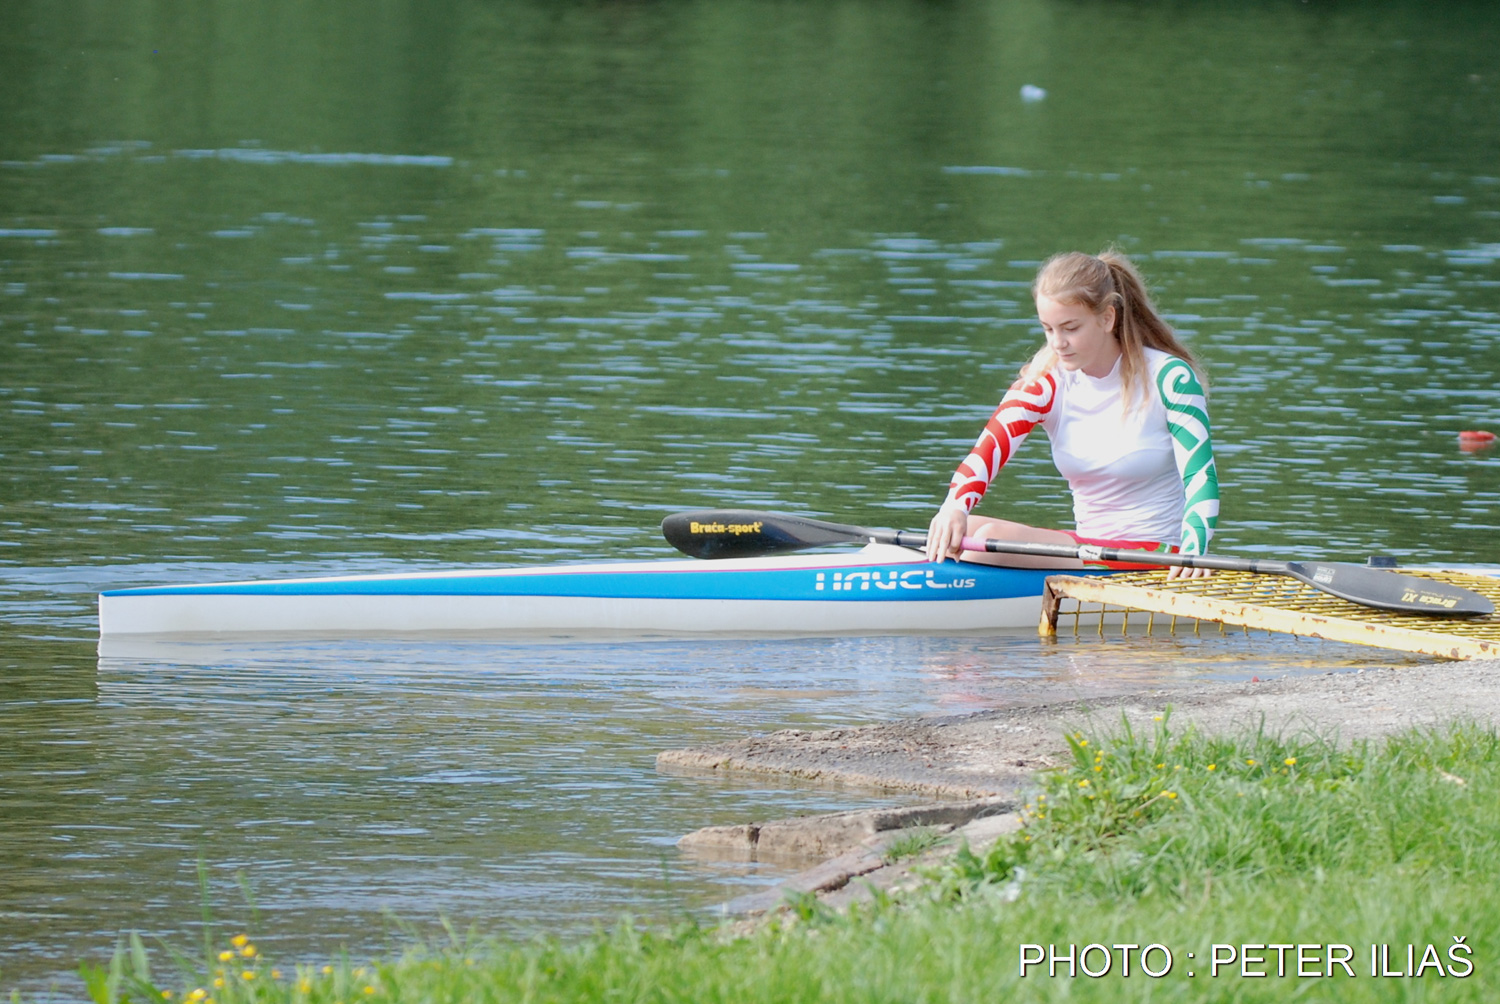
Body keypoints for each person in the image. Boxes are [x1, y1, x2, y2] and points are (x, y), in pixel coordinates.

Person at [924, 250, 1218, 579]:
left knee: (986, 539)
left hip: (1157, 555)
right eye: (1048, 329)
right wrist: (954, 505)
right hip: (1085, 550)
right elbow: (987, 451)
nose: (1058, 343)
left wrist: (1193, 552)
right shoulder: (1047, 381)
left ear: (1107, 318)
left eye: (1070, 328)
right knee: (961, 530)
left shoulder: (1170, 378)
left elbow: (1201, 478)